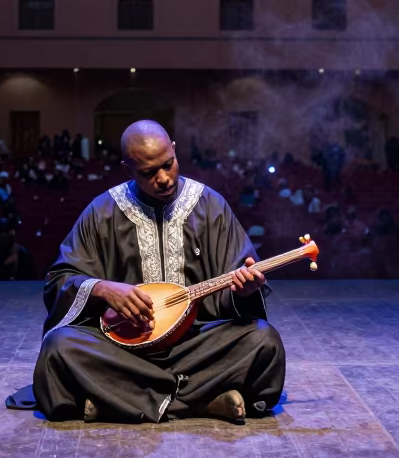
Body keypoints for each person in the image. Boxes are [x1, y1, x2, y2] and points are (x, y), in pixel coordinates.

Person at [33, 119, 285, 425]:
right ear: (128, 170)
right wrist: (101, 288)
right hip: (123, 350)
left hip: (196, 346)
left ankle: (119, 402)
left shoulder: (211, 207)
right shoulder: (102, 212)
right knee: (58, 347)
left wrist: (243, 292)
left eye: (169, 164)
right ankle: (202, 401)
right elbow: (58, 281)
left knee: (264, 340)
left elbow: (239, 286)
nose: (164, 179)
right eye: (149, 173)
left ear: (175, 151)